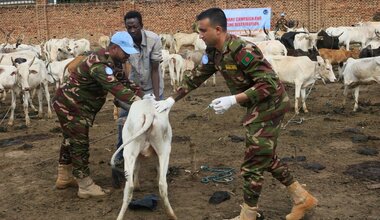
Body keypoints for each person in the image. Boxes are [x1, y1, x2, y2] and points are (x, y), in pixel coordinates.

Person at [155, 8, 318, 220]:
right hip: (256, 106)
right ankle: (302, 198)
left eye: (203, 31)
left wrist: (233, 99)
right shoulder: (213, 52)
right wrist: (171, 99)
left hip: (270, 105)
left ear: (218, 29)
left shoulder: (243, 49)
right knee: (263, 156)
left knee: (252, 163)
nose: (200, 35)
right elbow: (197, 77)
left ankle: (247, 215)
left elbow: (268, 84)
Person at [53, 31, 143, 199]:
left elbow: (124, 82)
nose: (127, 57)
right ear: (115, 48)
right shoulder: (98, 63)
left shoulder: (114, 62)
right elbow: (115, 87)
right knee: (79, 141)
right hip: (71, 105)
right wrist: (137, 101)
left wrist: (143, 95)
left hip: (78, 105)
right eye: (126, 52)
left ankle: (64, 177)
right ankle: (85, 185)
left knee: (69, 139)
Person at [112, 10, 164, 188]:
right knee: (124, 124)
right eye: (128, 27)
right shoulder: (123, 42)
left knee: (158, 126)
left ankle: (160, 164)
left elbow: (155, 69)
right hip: (132, 89)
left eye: (134, 26)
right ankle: (121, 163)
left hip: (153, 86)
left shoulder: (154, 39)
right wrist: (129, 96)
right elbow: (123, 72)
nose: (132, 30)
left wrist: (156, 99)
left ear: (141, 25)